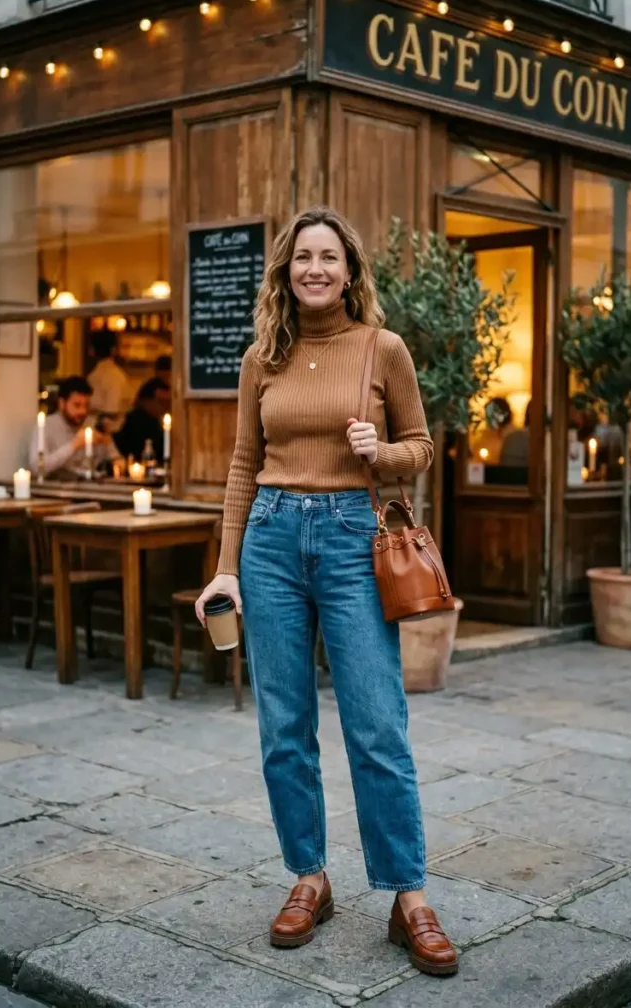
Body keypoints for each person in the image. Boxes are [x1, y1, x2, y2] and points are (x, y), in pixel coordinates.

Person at [195, 207, 458, 977]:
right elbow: (244, 466)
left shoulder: (384, 348)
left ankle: (408, 895)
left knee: (377, 724)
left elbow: (421, 448)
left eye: (328, 257)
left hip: (352, 539)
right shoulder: (260, 359)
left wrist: (383, 452)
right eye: (301, 256)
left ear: (349, 272)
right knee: (284, 725)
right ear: (285, 271)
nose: (314, 268)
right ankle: (309, 877)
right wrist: (225, 566)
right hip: (272, 539)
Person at [28, 376, 117, 481]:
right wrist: (74, 445)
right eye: (77, 405)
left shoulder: (91, 425)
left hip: (89, 488)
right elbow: (37, 468)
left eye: (86, 405)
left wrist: (107, 442)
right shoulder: (45, 427)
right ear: (62, 404)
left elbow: (115, 459)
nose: (83, 411)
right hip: (56, 490)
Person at [113, 378, 170, 462]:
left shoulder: (156, 420)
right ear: (146, 401)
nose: (164, 407)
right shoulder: (136, 419)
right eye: (161, 402)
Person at [86, 331, 129, 418]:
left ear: (92, 350)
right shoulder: (114, 374)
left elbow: (112, 412)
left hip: (105, 428)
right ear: (113, 350)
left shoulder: (111, 375)